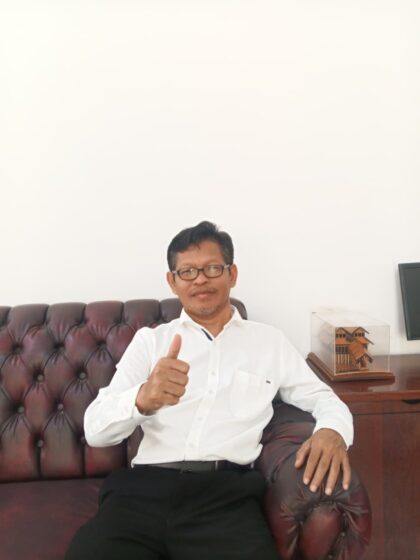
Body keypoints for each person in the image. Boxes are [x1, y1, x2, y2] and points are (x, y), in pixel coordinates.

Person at [66, 220, 353, 560]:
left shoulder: (269, 343)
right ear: (172, 282)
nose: (200, 279)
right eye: (187, 272)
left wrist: (332, 431)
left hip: (226, 498)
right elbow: (95, 430)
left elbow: (323, 398)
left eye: (212, 268)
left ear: (232, 274)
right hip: (143, 491)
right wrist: (141, 399)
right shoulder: (151, 342)